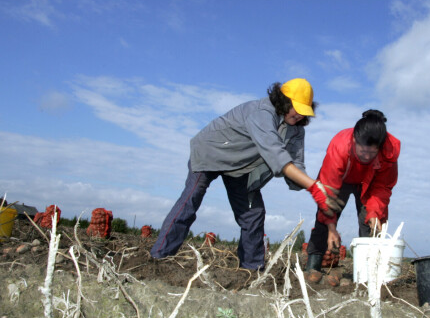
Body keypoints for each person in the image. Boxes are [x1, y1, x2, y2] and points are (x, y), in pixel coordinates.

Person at [151, 78, 342, 269]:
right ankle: (160, 257)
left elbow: (296, 163)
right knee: (191, 198)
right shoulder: (262, 112)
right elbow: (275, 152)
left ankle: (251, 270)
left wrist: (314, 187)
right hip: (211, 152)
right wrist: (312, 186)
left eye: (304, 110)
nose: (300, 115)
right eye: (297, 108)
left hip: (241, 167)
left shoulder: (296, 130)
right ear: (284, 101)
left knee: (253, 215)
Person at [305, 109, 401, 274]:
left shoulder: (388, 154)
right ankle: (313, 265)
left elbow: (382, 188)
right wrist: (331, 227)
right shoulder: (340, 146)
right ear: (354, 140)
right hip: (338, 182)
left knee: (371, 224)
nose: (366, 156)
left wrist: (374, 212)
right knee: (324, 220)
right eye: (362, 151)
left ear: (380, 147)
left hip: (368, 185)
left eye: (372, 153)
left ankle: (368, 272)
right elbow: (327, 191)